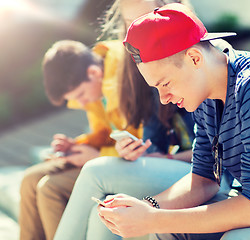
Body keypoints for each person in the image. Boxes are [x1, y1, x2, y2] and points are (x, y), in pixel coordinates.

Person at [96, 3, 250, 240]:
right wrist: (148, 208)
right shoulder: (206, 93)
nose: (163, 99)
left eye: (165, 84)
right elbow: (204, 181)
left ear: (195, 58)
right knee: (168, 230)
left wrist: (153, 220)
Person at [18, 37, 193, 240]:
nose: (80, 103)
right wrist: (77, 145)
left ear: (93, 73)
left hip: (130, 161)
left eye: (81, 94)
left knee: (49, 188)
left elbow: (141, 143)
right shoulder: (94, 88)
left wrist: (96, 155)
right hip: (111, 157)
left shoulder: (127, 78)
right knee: (30, 178)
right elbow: (105, 134)